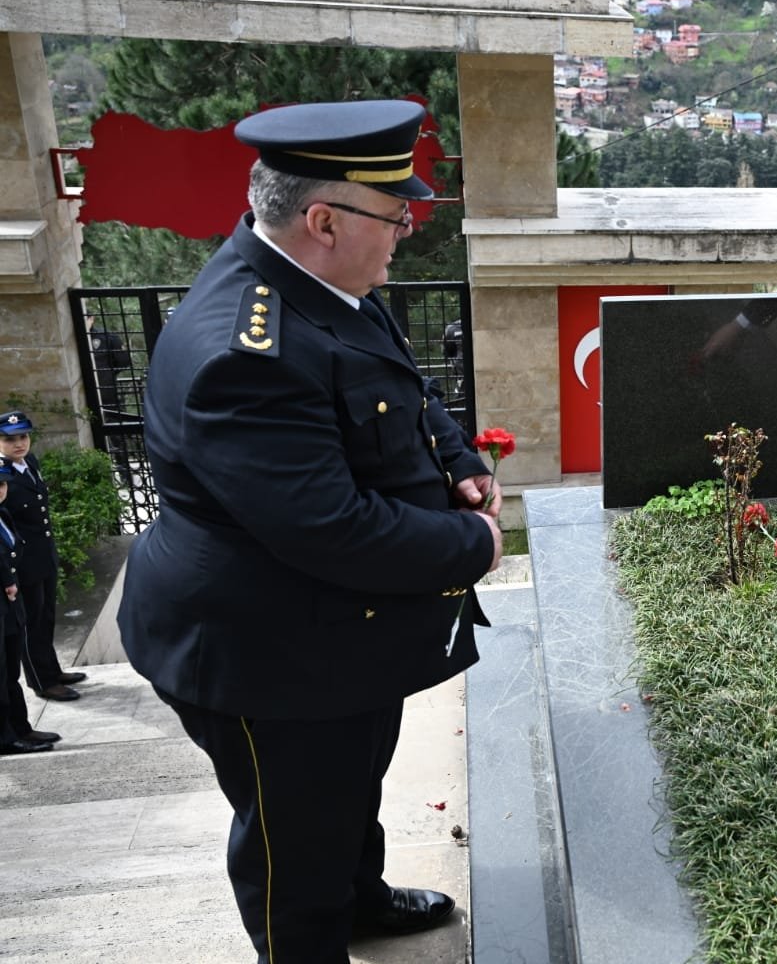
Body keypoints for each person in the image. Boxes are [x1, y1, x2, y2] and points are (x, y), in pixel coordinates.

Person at [118, 99, 504, 964]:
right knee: (294, 843)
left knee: (348, 787)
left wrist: (456, 457)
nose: (407, 227)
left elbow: (403, 386)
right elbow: (333, 529)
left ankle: (358, 900)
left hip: (337, 634)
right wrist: (475, 544)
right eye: (395, 212)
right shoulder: (243, 352)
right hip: (267, 652)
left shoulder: (322, 281)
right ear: (323, 219)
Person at [0, 411, 86, 702]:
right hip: (22, 563)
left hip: (43, 556)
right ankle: (42, 681)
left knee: (47, 616)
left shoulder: (30, 463)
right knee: (31, 623)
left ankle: (52, 669)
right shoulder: (2, 474)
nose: (18, 444)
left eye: (22, 437)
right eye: (9, 439)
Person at [0, 461, 60, 755]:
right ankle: (5, 737)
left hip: (9, 608)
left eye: (1, 484)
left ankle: (20, 729)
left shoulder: (3, 516)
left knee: (10, 672)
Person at [85, 311, 132, 417]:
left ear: (91, 319)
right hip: (84, 393)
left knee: (112, 420)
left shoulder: (106, 336)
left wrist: (108, 373)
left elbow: (124, 361)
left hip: (106, 391)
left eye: (86, 319)